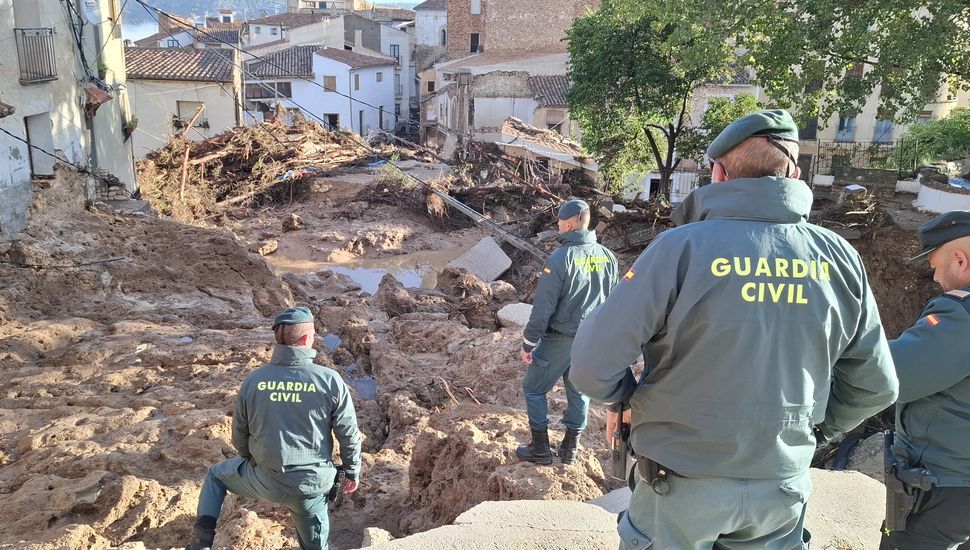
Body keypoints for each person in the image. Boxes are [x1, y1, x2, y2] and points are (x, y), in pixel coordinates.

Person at [570, 110, 899, 549]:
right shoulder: (838, 257)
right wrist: (811, 431)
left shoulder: (678, 248)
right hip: (780, 486)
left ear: (718, 174)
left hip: (679, 484)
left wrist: (624, 399)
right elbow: (876, 385)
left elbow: (592, 365)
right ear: (795, 174)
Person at [187, 307, 361, 550]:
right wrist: (352, 471)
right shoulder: (330, 380)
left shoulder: (255, 380)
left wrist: (252, 461)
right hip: (309, 488)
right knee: (315, 545)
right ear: (305, 339)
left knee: (216, 476)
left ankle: (202, 543)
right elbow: (348, 433)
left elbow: (239, 434)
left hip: (264, 479)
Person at [879, 211, 970, 550]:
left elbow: (893, 376)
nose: (933, 276)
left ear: (959, 259)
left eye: (935, 265)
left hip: (946, 484)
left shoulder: (960, 315)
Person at [516, 199, 619, 465]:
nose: (557, 225)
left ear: (571, 223)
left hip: (561, 339)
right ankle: (570, 449)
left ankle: (540, 448)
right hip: (591, 340)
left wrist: (528, 344)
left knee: (534, 389)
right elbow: (615, 303)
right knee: (579, 391)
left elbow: (542, 309)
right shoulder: (608, 257)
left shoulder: (561, 258)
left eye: (560, 221)